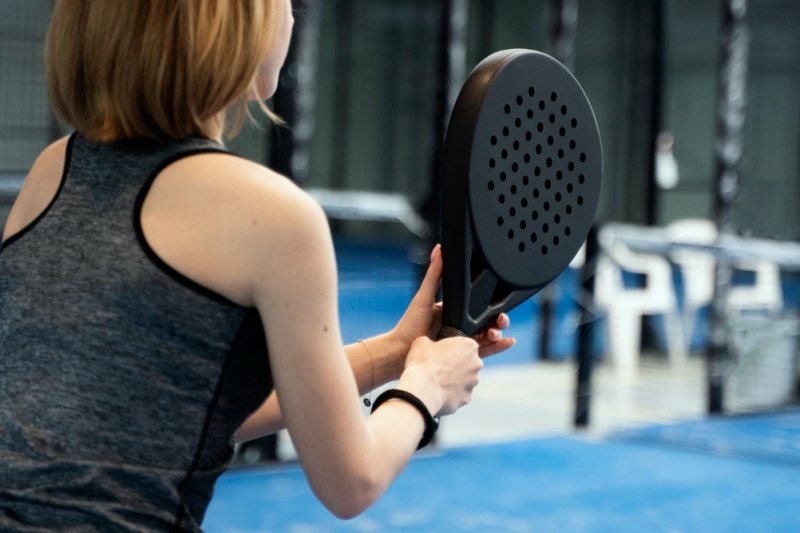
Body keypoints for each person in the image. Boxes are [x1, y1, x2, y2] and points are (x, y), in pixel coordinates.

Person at [0, 1, 514, 531]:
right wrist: (428, 387)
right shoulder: (273, 215)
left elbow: (181, 410)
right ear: (234, 28)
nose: (292, 19)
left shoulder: (54, 169)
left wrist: (393, 355)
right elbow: (351, 482)